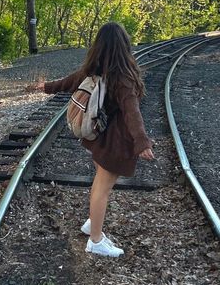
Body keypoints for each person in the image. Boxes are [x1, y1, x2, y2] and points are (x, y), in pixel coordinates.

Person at [30, 22, 154, 258]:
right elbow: (132, 113)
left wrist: (46, 87)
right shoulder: (123, 77)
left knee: (101, 181)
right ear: (124, 47)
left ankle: (92, 223)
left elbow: (69, 81)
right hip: (115, 142)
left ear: (100, 46)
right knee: (103, 187)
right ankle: (95, 240)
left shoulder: (95, 69)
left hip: (100, 136)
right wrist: (141, 141)